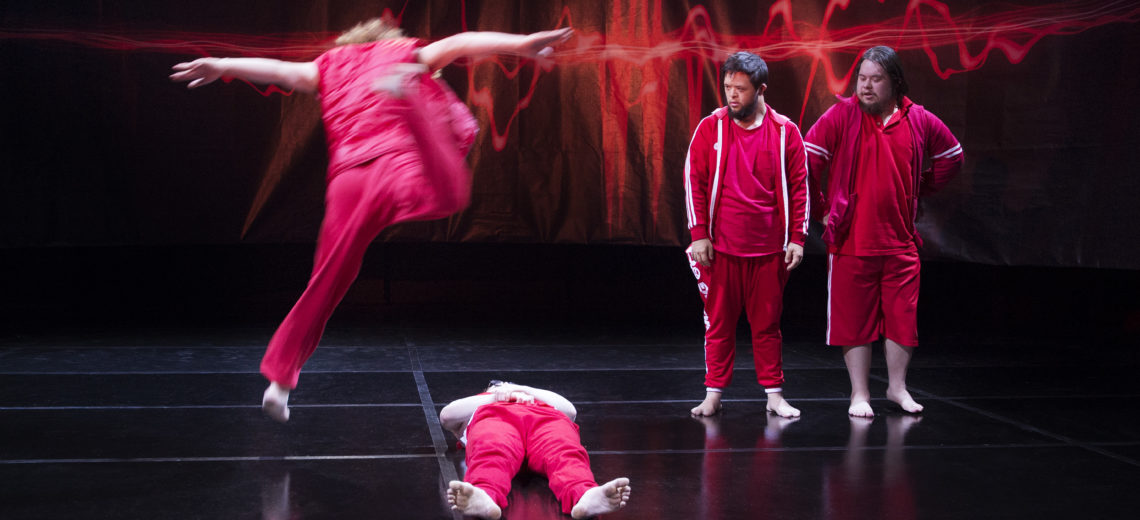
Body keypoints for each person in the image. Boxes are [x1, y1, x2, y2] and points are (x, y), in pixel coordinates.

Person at [170, 18, 573, 422]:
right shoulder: (402, 52)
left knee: (328, 278)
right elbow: (462, 41)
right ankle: (409, 101)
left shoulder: (327, 65)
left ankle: (279, 384)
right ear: (386, 40)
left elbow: (278, 71)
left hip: (348, 180)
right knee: (451, 193)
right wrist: (522, 44)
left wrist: (222, 66)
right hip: (397, 166)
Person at [803, 46, 964, 417]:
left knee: (902, 319)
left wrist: (918, 186)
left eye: (876, 79)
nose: (867, 86)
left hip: (900, 242)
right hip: (850, 242)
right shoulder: (842, 115)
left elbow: (953, 157)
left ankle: (897, 388)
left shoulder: (917, 118)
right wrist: (823, 210)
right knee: (854, 322)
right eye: (862, 79)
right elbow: (806, 160)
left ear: (895, 82)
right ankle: (859, 394)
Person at [683, 51, 809, 418]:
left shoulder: (786, 132)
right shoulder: (712, 127)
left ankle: (774, 395)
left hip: (769, 251)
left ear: (761, 89)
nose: (732, 95)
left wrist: (798, 238)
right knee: (718, 325)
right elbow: (694, 181)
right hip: (721, 250)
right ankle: (713, 395)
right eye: (727, 87)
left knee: (767, 326)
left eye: (740, 89)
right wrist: (698, 234)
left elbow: (800, 186)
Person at [439, 381, 632, 519]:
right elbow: (447, 415)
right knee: (492, 452)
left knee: (563, 451)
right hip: (496, 420)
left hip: (544, 421)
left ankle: (584, 494)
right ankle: (484, 496)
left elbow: (570, 411)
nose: (504, 385)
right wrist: (495, 395)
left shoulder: (537, 400)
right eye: (497, 384)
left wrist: (522, 390)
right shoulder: (481, 404)